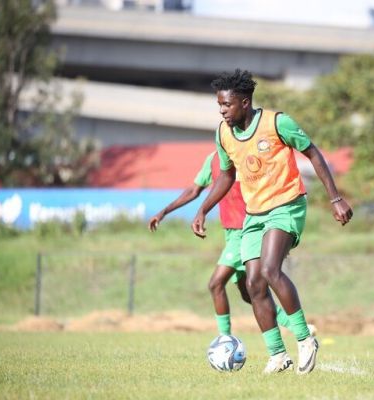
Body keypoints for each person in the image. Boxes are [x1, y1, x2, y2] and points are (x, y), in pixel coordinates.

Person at [191, 69, 353, 374]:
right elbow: (226, 176)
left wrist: (335, 198)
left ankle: (305, 340)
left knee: (269, 269)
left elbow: (314, 154)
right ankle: (278, 355)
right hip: (254, 213)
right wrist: (202, 210)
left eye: (227, 105)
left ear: (244, 101)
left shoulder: (277, 122)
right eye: (219, 106)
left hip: (287, 205)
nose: (222, 110)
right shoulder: (223, 134)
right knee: (253, 283)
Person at [148, 150, 294, 336]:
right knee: (249, 293)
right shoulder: (213, 159)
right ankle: (294, 326)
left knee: (216, 284)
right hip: (230, 232)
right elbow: (194, 190)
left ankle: (225, 340)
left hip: (247, 229)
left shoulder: (248, 153)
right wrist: (164, 212)